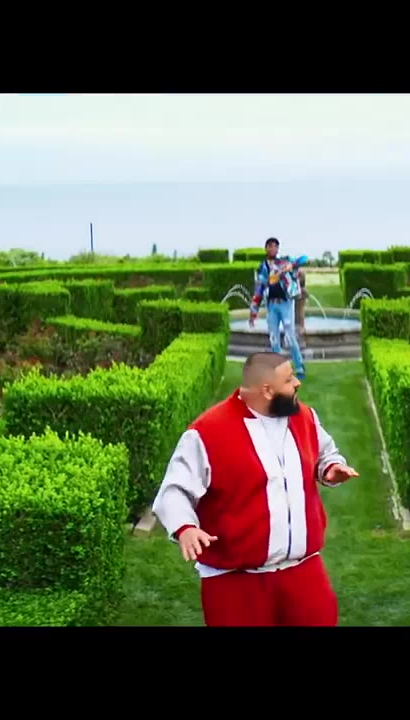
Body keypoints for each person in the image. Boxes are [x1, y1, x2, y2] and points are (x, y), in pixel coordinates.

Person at [151, 351, 359, 626]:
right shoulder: (207, 432)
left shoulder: (305, 417)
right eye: (289, 380)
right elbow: (174, 490)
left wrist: (331, 468)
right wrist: (185, 528)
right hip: (235, 581)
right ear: (267, 390)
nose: (297, 383)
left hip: (303, 571)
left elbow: (324, 452)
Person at [249, 237, 307, 379]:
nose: (272, 248)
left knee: (290, 336)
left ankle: (299, 366)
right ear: (266, 249)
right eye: (269, 246)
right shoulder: (263, 267)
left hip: (285, 303)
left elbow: (304, 259)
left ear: (278, 248)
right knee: (274, 339)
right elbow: (259, 290)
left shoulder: (284, 261)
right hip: (272, 305)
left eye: (275, 246)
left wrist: (291, 266)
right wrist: (253, 312)